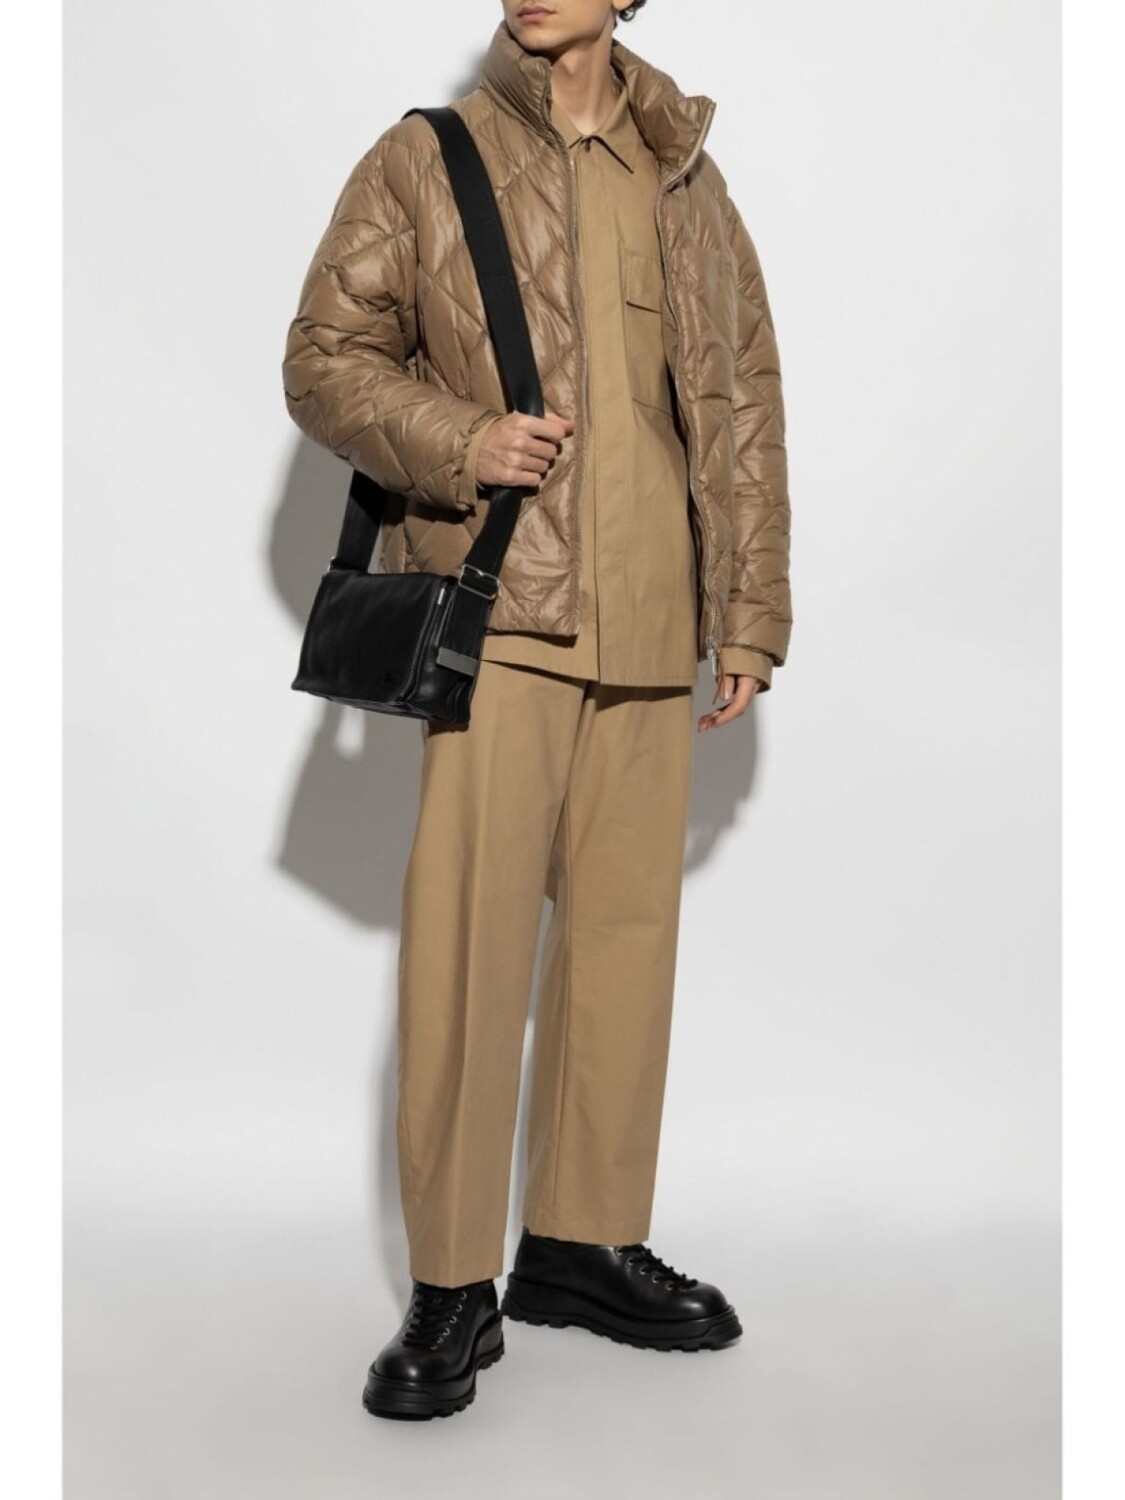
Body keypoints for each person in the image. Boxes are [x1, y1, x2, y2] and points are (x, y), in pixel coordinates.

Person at [282, 0, 792, 1421]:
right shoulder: (425, 159)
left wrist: (747, 612)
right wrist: (463, 440)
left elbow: (743, 403)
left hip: (654, 619)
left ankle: (580, 1242)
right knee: (469, 945)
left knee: (623, 943)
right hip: (502, 612)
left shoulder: (685, 174)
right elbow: (323, 357)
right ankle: (454, 1283)